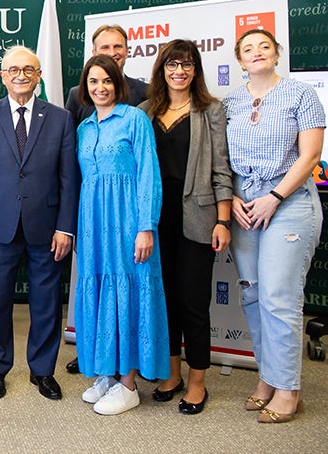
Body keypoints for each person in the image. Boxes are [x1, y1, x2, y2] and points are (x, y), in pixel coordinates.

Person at [0, 46, 79, 401]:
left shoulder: (60, 118)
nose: (20, 75)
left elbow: (68, 179)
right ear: (2, 76)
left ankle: (42, 370)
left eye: (28, 70)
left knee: (46, 302)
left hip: (46, 227)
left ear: (39, 75)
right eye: (13, 69)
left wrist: (66, 227)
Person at [224, 29, 325, 424]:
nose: (257, 53)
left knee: (279, 297)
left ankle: (288, 389)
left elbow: (311, 154)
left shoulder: (301, 94)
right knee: (253, 294)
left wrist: (275, 197)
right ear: (240, 59)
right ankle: (268, 377)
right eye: (248, 49)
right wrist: (231, 197)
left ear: (277, 53)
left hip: (288, 201)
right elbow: (222, 157)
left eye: (264, 46)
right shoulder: (230, 101)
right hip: (243, 204)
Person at [138, 39, 232, 415]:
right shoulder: (144, 111)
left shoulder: (210, 110)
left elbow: (222, 170)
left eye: (187, 64)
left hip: (197, 219)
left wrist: (223, 220)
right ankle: (172, 374)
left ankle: (197, 382)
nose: (179, 71)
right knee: (164, 301)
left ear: (196, 70)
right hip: (155, 221)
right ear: (161, 70)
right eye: (172, 64)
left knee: (193, 303)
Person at [74, 54, 169, 415]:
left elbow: (149, 175)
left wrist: (146, 226)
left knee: (128, 293)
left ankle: (128, 384)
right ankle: (108, 374)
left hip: (129, 223)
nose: (101, 88)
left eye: (107, 81)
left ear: (118, 84)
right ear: (86, 86)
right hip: (94, 225)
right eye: (94, 81)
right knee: (99, 291)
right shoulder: (84, 128)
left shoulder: (135, 119)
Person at [65, 24, 149, 126]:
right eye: (105, 47)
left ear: (127, 51)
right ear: (94, 53)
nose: (112, 53)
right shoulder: (77, 95)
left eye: (117, 46)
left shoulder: (145, 92)